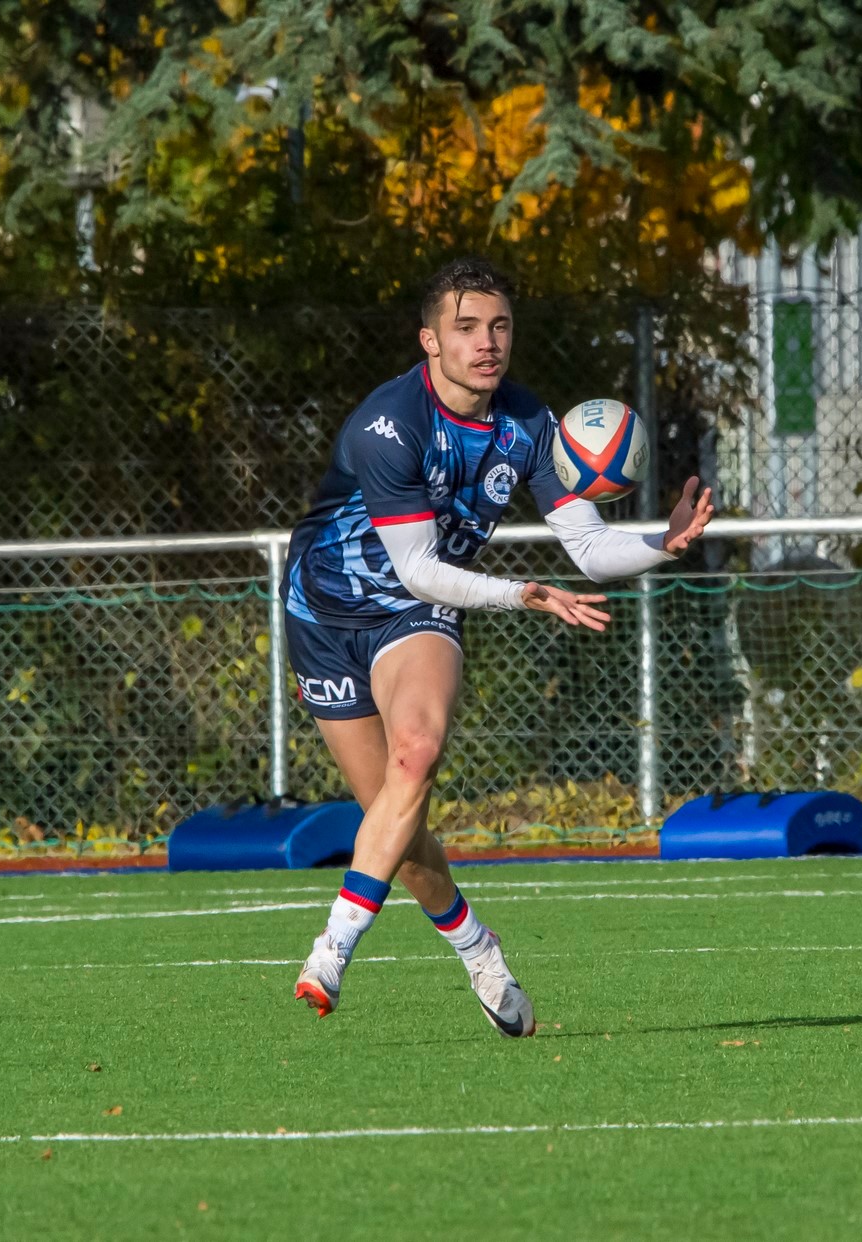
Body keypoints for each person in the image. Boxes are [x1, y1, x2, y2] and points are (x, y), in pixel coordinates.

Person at [283, 257, 714, 1033]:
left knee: (416, 754)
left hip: (415, 618)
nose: (488, 342)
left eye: (500, 325)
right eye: (467, 327)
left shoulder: (527, 425)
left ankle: (331, 952)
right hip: (322, 620)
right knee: (402, 836)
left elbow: (586, 547)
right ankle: (480, 949)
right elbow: (417, 562)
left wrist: (665, 540)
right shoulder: (390, 424)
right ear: (430, 341)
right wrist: (523, 593)